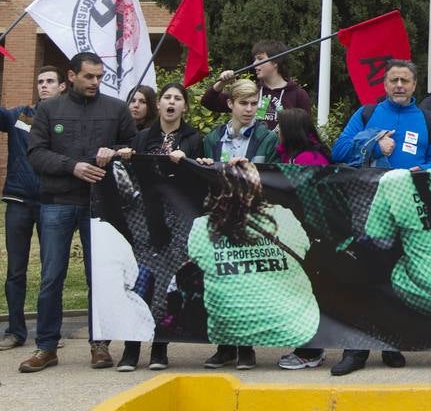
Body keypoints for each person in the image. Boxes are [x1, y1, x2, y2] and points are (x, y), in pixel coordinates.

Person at [20, 52, 137, 373]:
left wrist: (116, 152)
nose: (95, 82)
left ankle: (100, 344)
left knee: (99, 277)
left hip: (100, 206)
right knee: (51, 276)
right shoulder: (48, 110)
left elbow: (133, 147)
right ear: (71, 76)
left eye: (99, 77)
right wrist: (72, 166)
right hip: (56, 202)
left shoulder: (116, 109)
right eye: (89, 76)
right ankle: (46, 347)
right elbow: (36, 153)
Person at [328, 59, 431, 376]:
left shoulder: (427, 119)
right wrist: (375, 145)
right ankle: (356, 350)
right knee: (363, 276)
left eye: (405, 80)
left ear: (415, 85)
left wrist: (424, 169)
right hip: (368, 206)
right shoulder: (367, 114)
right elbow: (338, 151)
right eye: (394, 80)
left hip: (407, 208)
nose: (399, 86)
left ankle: (391, 344)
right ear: (385, 84)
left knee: (397, 277)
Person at [113, 81, 204, 371]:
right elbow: (131, 176)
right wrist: (125, 157)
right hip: (146, 219)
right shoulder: (142, 137)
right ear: (159, 104)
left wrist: (188, 161)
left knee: (167, 283)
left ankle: (159, 348)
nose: (172, 102)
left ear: (185, 106)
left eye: (178, 98)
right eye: (167, 97)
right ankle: (131, 348)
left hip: (178, 220)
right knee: (139, 280)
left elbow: (199, 179)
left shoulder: (193, 138)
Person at [186, 160, 320, 353]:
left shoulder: (202, 226)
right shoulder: (282, 215)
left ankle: (228, 352)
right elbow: (304, 248)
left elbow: (196, 259)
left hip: (229, 334)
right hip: (297, 328)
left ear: (214, 190)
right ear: (257, 185)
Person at [195, 78, 279, 369]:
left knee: (249, 282)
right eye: (243, 103)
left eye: (254, 103)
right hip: (219, 214)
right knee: (222, 279)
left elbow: (270, 175)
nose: (249, 109)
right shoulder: (212, 138)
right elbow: (204, 177)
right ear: (230, 104)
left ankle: (247, 347)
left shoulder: (267, 137)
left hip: (252, 215)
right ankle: (225, 347)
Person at [1, 65, 65, 352]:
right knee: (16, 271)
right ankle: (15, 331)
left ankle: (49, 333)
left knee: (52, 271)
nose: (44, 86)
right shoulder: (22, 116)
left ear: (62, 86)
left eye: (50, 81)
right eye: (40, 81)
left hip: (53, 203)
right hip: (19, 201)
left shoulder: (66, 120)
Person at [273, 107, 331, 371]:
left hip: (313, 236)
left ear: (291, 130)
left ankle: (310, 351)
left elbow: (307, 199)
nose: (276, 131)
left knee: (308, 293)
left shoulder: (309, 159)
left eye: (280, 126)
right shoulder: (293, 156)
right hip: (303, 234)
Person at [202, 40, 312, 130]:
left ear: (275, 62)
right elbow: (208, 102)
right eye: (254, 59)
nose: (254, 64)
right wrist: (222, 83)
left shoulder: (298, 94)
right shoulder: (250, 91)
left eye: (260, 59)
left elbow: (306, 130)